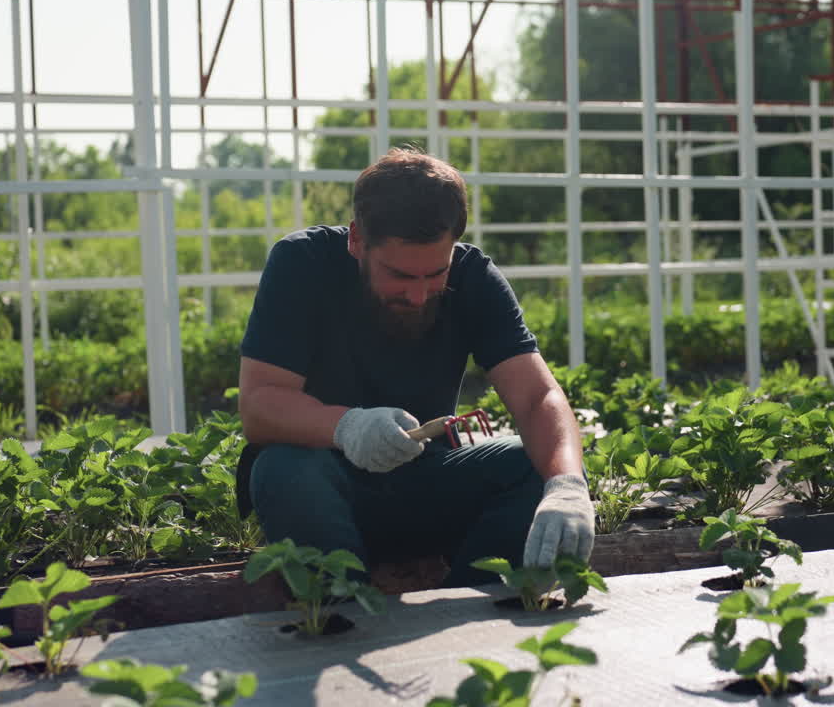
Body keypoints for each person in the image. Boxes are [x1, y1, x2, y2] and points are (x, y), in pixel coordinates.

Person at [236, 146, 594, 587]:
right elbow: (259, 404)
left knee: (537, 467)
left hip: (425, 485)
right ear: (356, 241)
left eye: (435, 275)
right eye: (401, 277)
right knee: (281, 468)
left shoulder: (473, 276)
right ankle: (341, 615)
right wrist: (346, 427)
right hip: (323, 490)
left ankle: (469, 608)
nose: (420, 295)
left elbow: (538, 396)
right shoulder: (302, 264)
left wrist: (567, 487)